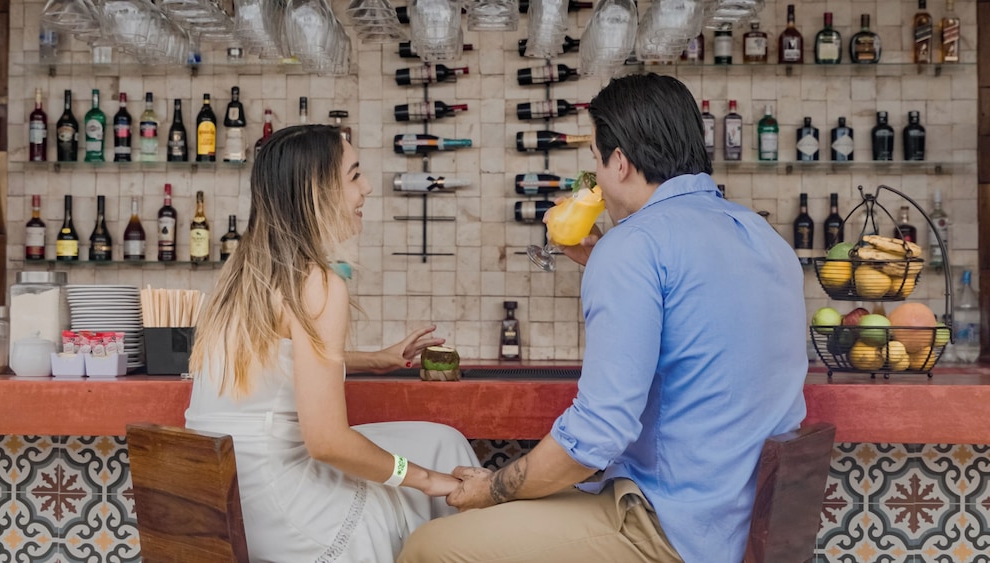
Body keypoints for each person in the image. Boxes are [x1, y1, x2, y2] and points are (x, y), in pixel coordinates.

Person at [398, 73, 808, 562]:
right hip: (735, 526)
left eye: (595, 158)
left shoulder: (634, 244)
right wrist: (607, 262)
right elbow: (705, 309)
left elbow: (597, 435)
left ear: (620, 162)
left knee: (428, 547)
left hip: (670, 533)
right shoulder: (763, 237)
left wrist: (494, 487)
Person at [185, 124, 480, 563]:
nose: (368, 188)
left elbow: (277, 363)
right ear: (316, 191)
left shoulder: (240, 275)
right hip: (287, 511)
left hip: (227, 501)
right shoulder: (317, 283)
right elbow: (327, 442)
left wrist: (374, 360)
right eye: (354, 175)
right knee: (423, 479)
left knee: (438, 439)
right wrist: (426, 479)